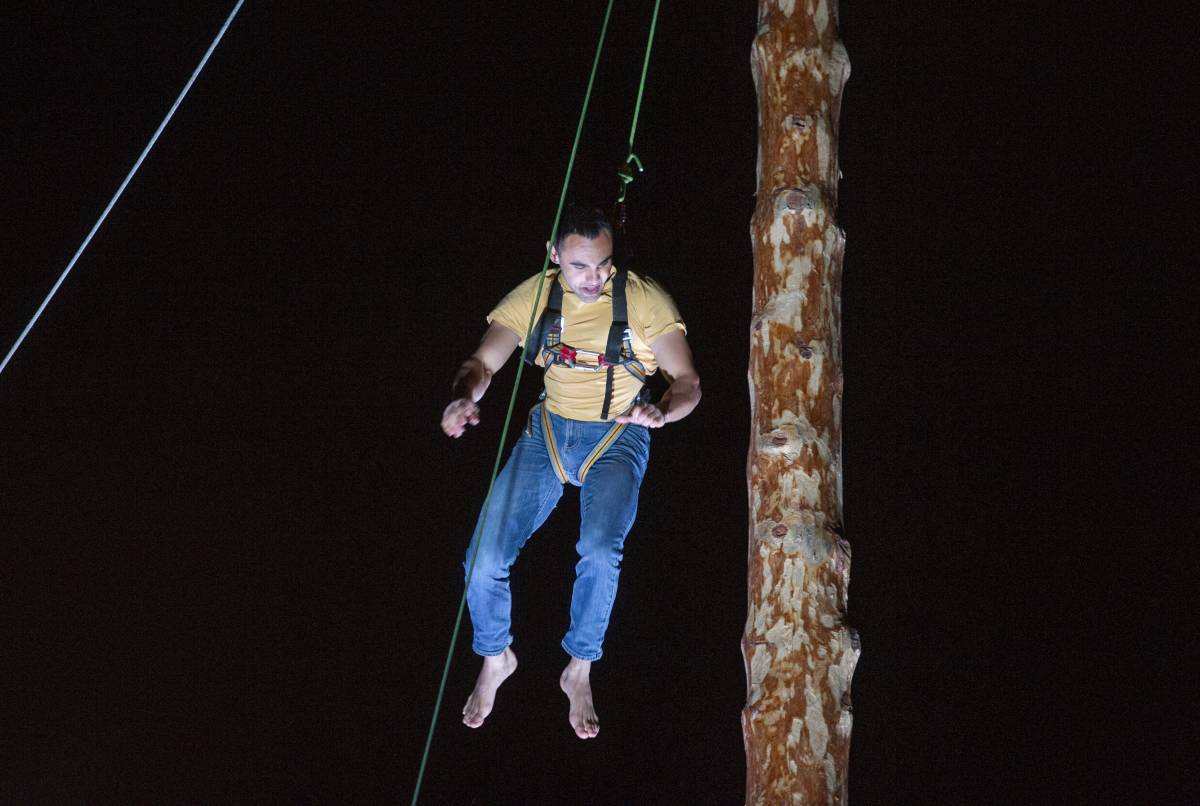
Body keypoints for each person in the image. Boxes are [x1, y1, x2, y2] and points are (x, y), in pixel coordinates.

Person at [440, 204, 701, 739]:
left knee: (601, 550)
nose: (592, 278)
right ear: (554, 256)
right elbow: (482, 364)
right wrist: (462, 398)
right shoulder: (537, 295)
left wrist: (663, 409)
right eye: (579, 266)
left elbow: (688, 382)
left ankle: (579, 666)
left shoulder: (644, 299)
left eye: (602, 266)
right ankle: (496, 656)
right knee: (482, 558)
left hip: (619, 434)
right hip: (550, 435)